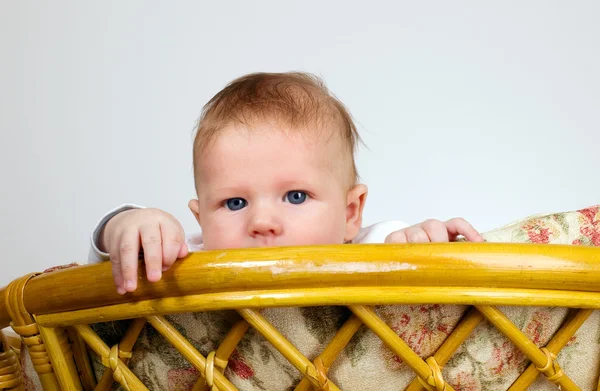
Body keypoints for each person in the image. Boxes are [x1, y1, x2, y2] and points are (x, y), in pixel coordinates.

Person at [89, 72, 483, 295]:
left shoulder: (372, 247)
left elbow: (416, 256)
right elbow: (115, 265)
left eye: (296, 196)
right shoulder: (191, 258)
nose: (262, 222)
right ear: (201, 219)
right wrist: (128, 224)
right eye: (234, 203)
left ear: (350, 214)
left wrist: (427, 242)